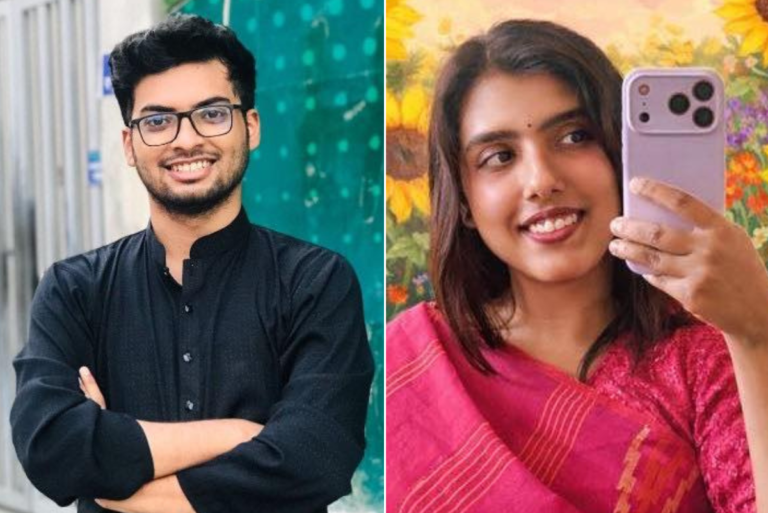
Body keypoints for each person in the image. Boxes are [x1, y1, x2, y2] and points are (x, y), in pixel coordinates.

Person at [386, 19, 768, 513]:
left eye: (573, 137)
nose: (541, 180)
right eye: (500, 156)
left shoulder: (703, 363)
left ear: (621, 153)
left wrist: (756, 333)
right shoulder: (411, 363)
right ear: (462, 201)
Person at [10, 14, 374, 513]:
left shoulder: (315, 283)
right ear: (129, 145)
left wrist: (124, 479)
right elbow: (50, 446)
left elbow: (316, 456)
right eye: (157, 121)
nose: (186, 140)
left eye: (212, 113)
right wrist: (239, 435)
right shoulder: (76, 290)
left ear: (251, 126)